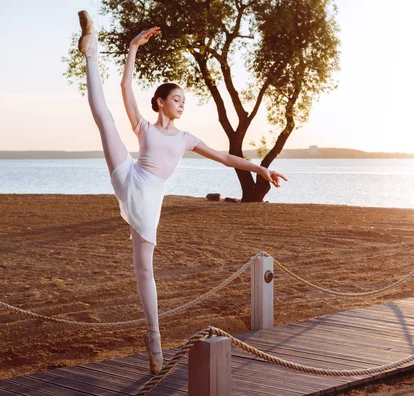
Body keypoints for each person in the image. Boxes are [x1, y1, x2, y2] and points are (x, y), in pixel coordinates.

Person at [77, 10, 287, 374]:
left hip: (148, 197)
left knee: (144, 269)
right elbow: (126, 88)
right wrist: (131, 48)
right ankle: (90, 50)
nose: (181, 103)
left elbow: (224, 157)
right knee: (104, 118)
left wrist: (261, 168)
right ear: (160, 101)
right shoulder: (145, 127)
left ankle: (154, 337)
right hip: (129, 172)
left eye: (184, 100)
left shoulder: (187, 139)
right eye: (176, 98)